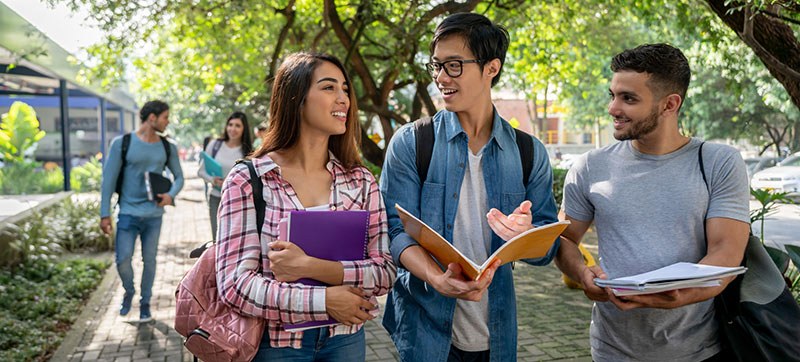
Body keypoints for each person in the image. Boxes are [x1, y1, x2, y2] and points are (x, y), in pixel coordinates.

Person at [380, 13, 559, 362]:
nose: (441, 78)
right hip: (424, 332)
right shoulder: (412, 143)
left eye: (454, 66)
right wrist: (436, 277)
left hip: (497, 333)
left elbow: (546, 248)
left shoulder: (528, 152)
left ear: (491, 68)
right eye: (436, 66)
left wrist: (525, 236)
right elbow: (394, 230)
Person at [555, 43, 749, 361]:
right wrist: (581, 272)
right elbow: (564, 239)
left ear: (669, 104)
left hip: (697, 351)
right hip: (612, 350)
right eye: (613, 94)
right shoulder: (589, 166)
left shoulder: (719, 162)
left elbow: (725, 254)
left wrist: (672, 295)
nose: (613, 108)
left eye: (628, 98)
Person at [215, 52, 396, 361]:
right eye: (329, 88)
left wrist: (310, 267)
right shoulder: (249, 180)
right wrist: (324, 300)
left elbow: (385, 271)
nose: (343, 99)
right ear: (295, 98)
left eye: (345, 90)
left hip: (346, 340)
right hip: (275, 345)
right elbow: (235, 285)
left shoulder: (361, 180)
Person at [99, 100, 185, 322]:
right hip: (127, 212)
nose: (168, 121)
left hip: (154, 215)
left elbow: (179, 177)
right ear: (152, 118)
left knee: (150, 260)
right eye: (165, 117)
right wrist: (104, 213)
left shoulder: (168, 146)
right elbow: (108, 181)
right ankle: (129, 290)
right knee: (122, 259)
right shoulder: (123, 143)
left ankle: (145, 302)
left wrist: (170, 196)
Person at [198, 111, 254, 240]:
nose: (232, 129)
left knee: (235, 239)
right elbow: (201, 171)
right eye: (230, 124)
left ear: (244, 129)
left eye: (237, 126)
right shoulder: (215, 145)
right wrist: (213, 180)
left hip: (239, 201)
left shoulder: (248, 151)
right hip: (216, 198)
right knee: (217, 239)